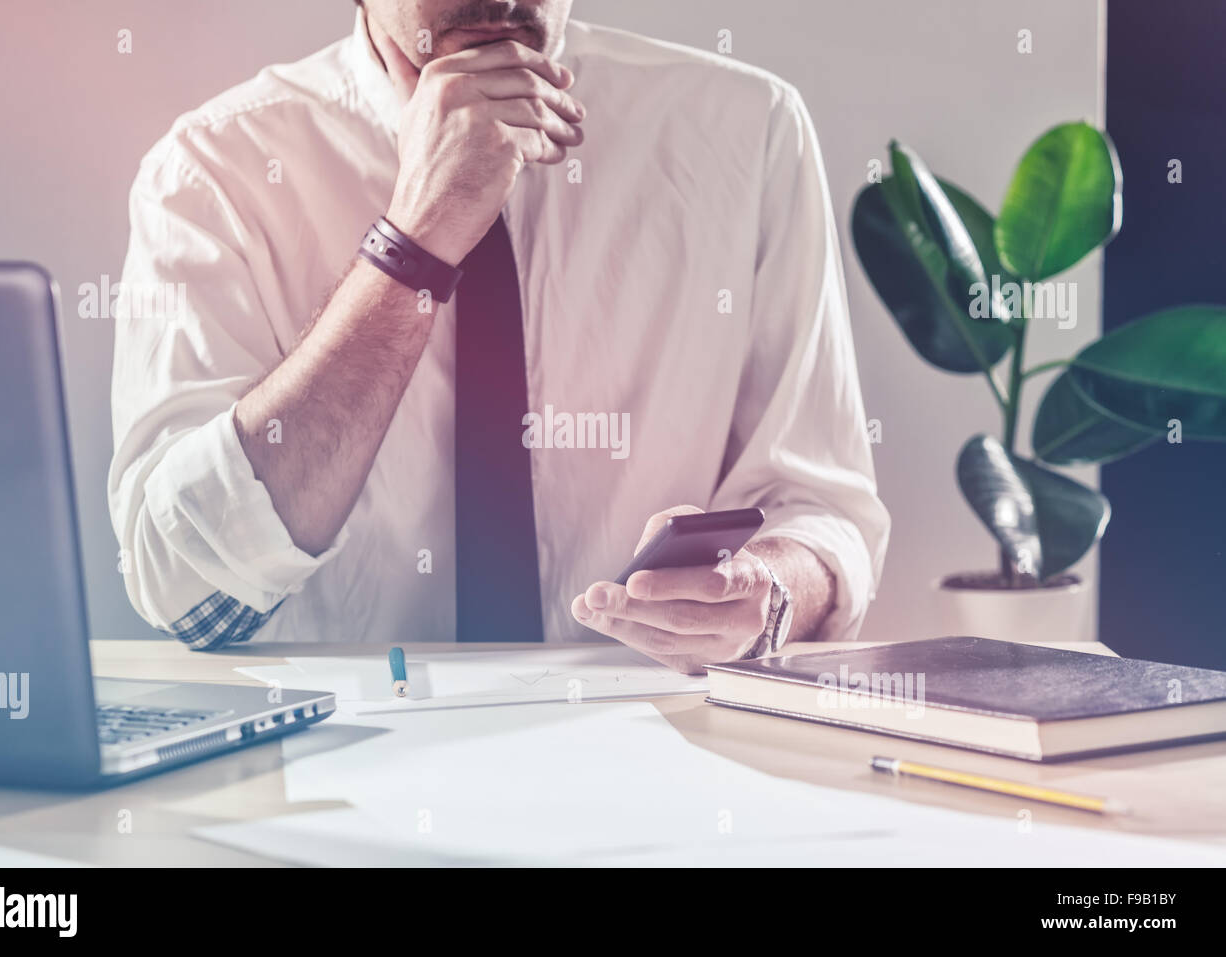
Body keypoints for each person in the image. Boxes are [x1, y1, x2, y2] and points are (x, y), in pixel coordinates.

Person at [108, 0, 890, 673]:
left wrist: (769, 590)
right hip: (334, 780)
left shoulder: (747, 133)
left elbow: (823, 507)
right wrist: (415, 238)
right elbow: (190, 592)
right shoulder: (212, 171)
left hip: (657, 766)